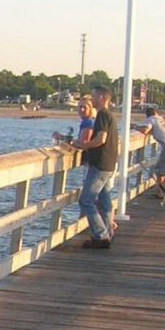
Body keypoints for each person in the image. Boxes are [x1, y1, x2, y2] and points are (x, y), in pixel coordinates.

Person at [72, 86, 118, 250]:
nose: (93, 98)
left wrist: (85, 145)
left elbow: (101, 139)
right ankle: (107, 233)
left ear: (103, 98)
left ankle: (101, 235)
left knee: (86, 200)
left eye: (95, 96)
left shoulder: (103, 115)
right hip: (108, 164)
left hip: (100, 165)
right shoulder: (108, 115)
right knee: (104, 202)